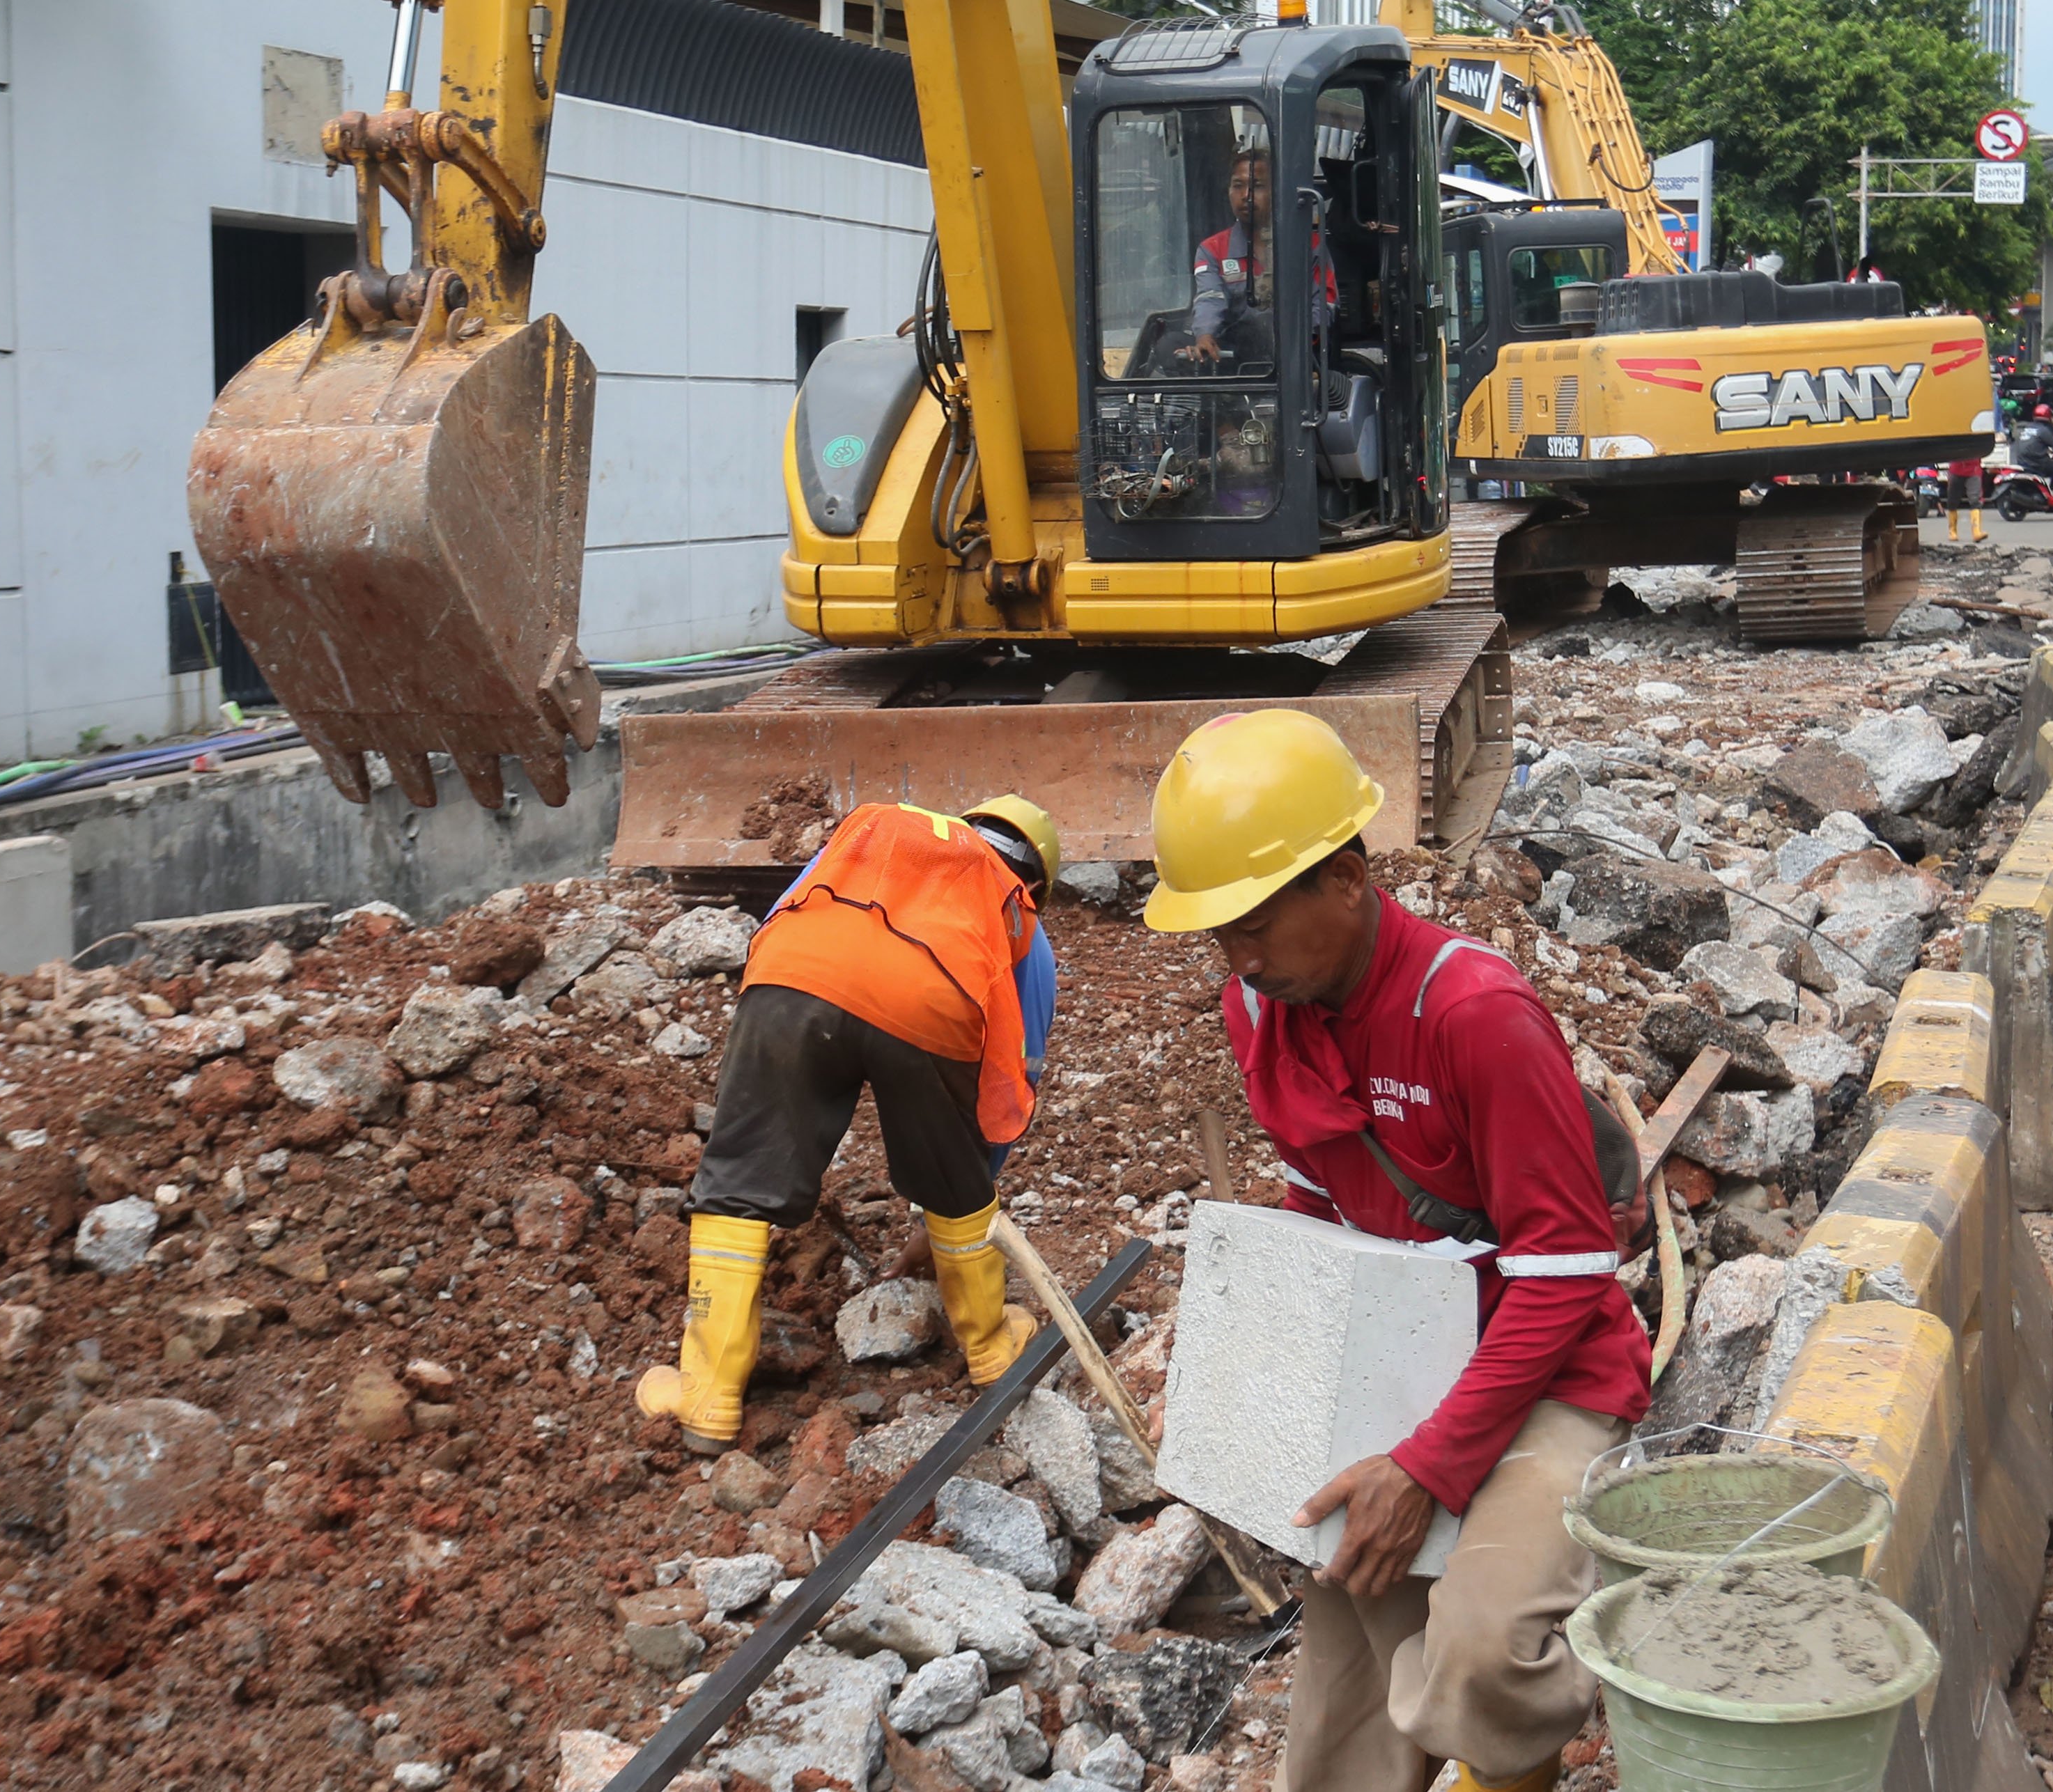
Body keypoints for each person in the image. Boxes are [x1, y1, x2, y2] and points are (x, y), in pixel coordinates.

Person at [1142, 710, 1651, 1792]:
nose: (1238, 957)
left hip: (1551, 1367)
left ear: (1349, 876)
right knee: (1351, 1661)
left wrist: (1429, 1464)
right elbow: (1321, 1211)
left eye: (1257, 921)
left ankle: (1508, 1763)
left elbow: (1565, 1275)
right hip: (1404, 1346)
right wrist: (1250, 1388)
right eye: (1217, 932)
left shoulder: (1474, 1015)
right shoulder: (1259, 1006)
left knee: (1479, 1645)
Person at [637, 795, 1063, 1452]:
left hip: (793, 974)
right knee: (957, 1180)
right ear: (1037, 883)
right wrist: (962, 1186)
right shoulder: (1016, 911)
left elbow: (793, 908)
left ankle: (708, 1396)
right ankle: (992, 1350)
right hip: (933, 1001)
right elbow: (1012, 1075)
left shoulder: (883, 837)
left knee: (739, 1180)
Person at [1186, 148, 1338, 370]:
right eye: (1238, 186)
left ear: (1276, 190)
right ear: (1228, 191)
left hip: (1296, 360)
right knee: (1167, 346)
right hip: (1233, 356)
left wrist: (1291, 335)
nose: (1246, 195)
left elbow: (1324, 305)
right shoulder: (1212, 249)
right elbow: (1210, 298)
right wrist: (1205, 334)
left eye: (1257, 186)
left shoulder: (1309, 245)